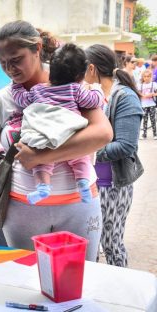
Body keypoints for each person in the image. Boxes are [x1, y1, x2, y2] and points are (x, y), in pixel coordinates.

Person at [0, 20, 112, 261]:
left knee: (78, 282)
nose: (10, 69)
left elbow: (102, 134)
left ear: (37, 48)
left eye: (16, 59)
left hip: (78, 206)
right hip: (22, 211)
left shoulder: (70, 84)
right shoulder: (0, 102)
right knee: (27, 282)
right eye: (2, 63)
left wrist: (41, 157)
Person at [11, 43, 103, 204]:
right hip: (69, 135)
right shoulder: (76, 89)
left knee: (41, 162)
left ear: (51, 72)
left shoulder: (38, 90)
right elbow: (93, 101)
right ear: (80, 77)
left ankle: (43, 188)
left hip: (44, 134)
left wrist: (16, 85)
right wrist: (96, 88)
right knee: (80, 158)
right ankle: (82, 184)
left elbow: (21, 98)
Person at [85, 45, 144, 267]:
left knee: (111, 244)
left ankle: (120, 292)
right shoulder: (92, 95)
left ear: (92, 68)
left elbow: (126, 146)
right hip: (91, 184)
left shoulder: (125, 97)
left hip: (112, 186)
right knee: (91, 244)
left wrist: (87, 152)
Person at [137, 69, 157, 139]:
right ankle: (144, 134)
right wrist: (142, 95)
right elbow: (138, 93)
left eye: (148, 76)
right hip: (144, 105)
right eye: (145, 76)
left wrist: (152, 94)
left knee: (153, 119)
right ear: (143, 77)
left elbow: (156, 93)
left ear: (151, 77)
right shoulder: (141, 85)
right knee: (144, 120)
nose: (146, 78)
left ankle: (155, 134)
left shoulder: (153, 84)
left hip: (152, 104)